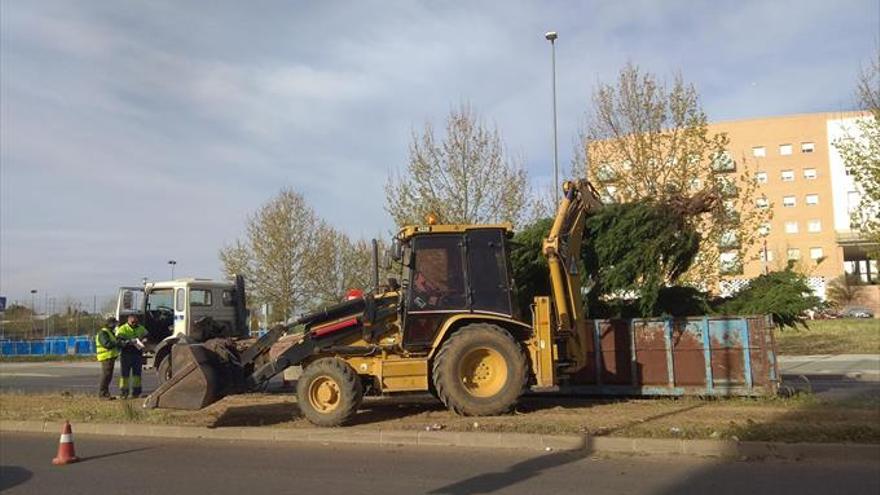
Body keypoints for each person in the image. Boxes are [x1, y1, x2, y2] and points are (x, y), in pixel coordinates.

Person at [115, 314, 148, 399]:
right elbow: (119, 341)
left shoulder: (140, 328)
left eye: (136, 322)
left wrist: (144, 339)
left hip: (137, 354)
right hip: (126, 354)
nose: (134, 324)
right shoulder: (123, 328)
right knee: (125, 375)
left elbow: (146, 335)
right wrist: (129, 342)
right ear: (128, 321)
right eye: (133, 322)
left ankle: (136, 392)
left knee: (137, 375)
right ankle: (124, 393)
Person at [95, 317, 121, 399]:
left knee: (108, 376)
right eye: (114, 324)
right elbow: (106, 344)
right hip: (106, 357)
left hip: (110, 357)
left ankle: (105, 393)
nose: (115, 326)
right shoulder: (103, 333)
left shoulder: (109, 332)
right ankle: (102, 394)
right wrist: (116, 343)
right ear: (110, 324)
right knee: (106, 375)